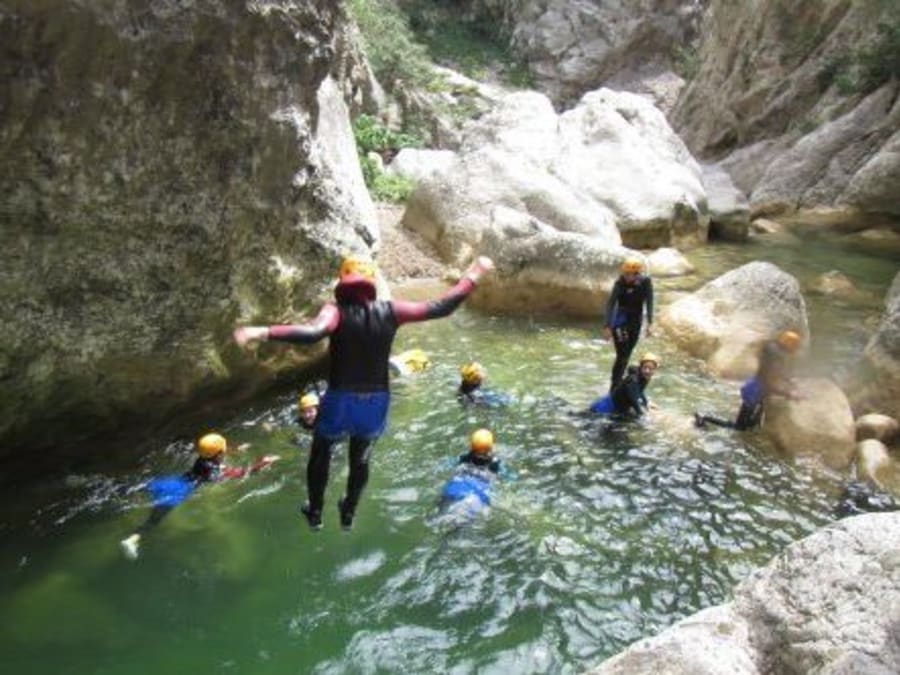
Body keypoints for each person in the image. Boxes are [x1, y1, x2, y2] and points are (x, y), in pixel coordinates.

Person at [234, 255, 495, 531]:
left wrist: (260, 331)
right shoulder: (392, 310)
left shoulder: (334, 311)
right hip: (375, 402)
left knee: (321, 453)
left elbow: (313, 332)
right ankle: (348, 512)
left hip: (340, 399)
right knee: (360, 459)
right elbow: (440, 307)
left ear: (342, 282)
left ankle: (315, 512)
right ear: (370, 283)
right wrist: (473, 275)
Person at [120, 433, 280, 560]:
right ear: (219, 454)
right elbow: (243, 473)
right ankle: (132, 540)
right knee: (153, 521)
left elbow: (215, 455)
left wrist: (238, 448)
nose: (225, 451)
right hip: (179, 492)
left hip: (170, 482)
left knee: (134, 489)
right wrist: (263, 463)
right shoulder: (215, 471)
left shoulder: (201, 459)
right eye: (223, 450)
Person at [694, 330, 802, 431]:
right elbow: (769, 383)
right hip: (754, 393)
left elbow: (777, 373)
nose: (794, 350)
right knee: (740, 427)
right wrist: (788, 394)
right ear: (789, 345)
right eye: (794, 346)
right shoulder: (775, 356)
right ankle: (704, 418)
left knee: (754, 425)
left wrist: (789, 384)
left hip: (756, 391)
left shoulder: (775, 353)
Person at [604, 257, 654, 390]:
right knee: (622, 354)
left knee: (627, 354)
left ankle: (620, 384)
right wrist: (608, 326)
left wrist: (650, 323)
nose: (626, 276)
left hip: (636, 322)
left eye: (629, 274)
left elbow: (649, 301)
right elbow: (611, 304)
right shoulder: (619, 283)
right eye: (625, 273)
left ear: (636, 274)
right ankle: (614, 386)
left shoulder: (645, 282)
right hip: (620, 322)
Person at [439, 429, 504, 515]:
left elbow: (448, 464)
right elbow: (510, 477)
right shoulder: (496, 464)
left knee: (441, 513)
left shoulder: (463, 458)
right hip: (476, 493)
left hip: (455, 486)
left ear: (471, 446)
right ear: (491, 447)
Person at [587, 352, 660, 418]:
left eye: (651, 368)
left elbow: (640, 392)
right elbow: (635, 403)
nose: (647, 371)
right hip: (604, 408)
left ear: (655, 370)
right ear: (641, 367)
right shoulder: (633, 381)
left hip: (615, 408)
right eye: (645, 367)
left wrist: (646, 403)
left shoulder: (644, 378)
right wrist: (645, 416)